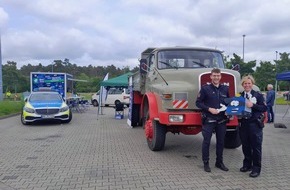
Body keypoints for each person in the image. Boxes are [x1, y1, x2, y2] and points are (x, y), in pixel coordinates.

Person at [196, 68, 229, 172]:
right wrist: (209, 109)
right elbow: (198, 103)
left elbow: (228, 102)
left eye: (218, 76)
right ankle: (206, 163)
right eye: (214, 75)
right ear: (211, 77)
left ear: (220, 77)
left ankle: (219, 162)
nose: (216, 77)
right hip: (209, 119)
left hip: (221, 120)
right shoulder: (205, 89)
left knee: (221, 142)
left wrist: (230, 110)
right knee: (206, 142)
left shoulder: (225, 89)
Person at [239, 75, 267, 178]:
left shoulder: (258, 95)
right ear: (243, 85)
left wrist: (253, 105)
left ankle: (256, 168)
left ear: (252, 84)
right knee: (245, 146)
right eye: (245, 83)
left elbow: (264, 107)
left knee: (256, 147)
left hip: (255, 124)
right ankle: (247, 165)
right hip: (243, 124)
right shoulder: (239, 96)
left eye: (249, 83)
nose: (247, 85)